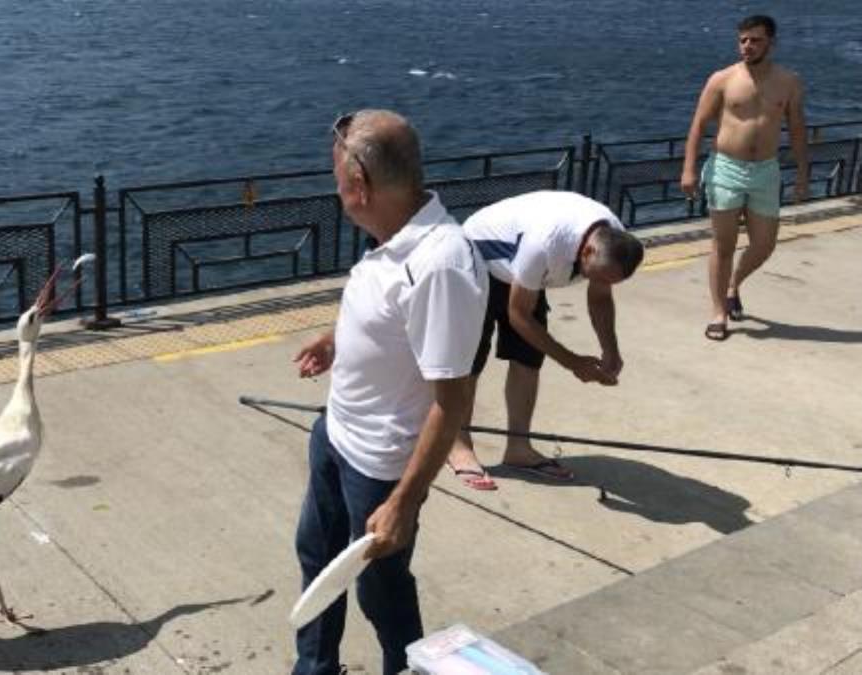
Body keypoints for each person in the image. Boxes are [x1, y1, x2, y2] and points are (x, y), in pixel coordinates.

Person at [291, 109, 487, 675]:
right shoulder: (393, 237)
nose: (336, 192)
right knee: (317, 560)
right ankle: (314, 670)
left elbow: (453, 400)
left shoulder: (439, 265)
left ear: (358, 187)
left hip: (379, 468)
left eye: (336, 181)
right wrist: (338, 339)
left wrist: (402, 501)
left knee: (382, 594)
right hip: (335, 435)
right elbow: (388, 317)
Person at [444, 191, 644, 488]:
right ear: (586, 252)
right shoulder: (544, 245)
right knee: (470, 362)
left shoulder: (613, 240)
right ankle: (458, 445)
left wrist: (610, 350)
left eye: (609, 281)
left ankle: (518, 448)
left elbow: (600, 300)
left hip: (523, 270)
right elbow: (519, 315)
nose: (600, 285)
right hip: (477, 261)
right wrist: (573, 362)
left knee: (528, 357)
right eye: (598, 277)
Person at [680, 14, 809, 341]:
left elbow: (796, 129)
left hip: (766, 170)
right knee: (723, 246)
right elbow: (698, 124)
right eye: (743, 40)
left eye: (755, 40)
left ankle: (734, 284)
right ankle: (718, 312)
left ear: (771, 43)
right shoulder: (722, 79)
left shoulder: (789, 82)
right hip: (726, 168)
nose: (747, 46)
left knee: (765, 245)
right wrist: (689, 169)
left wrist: (803, 173)